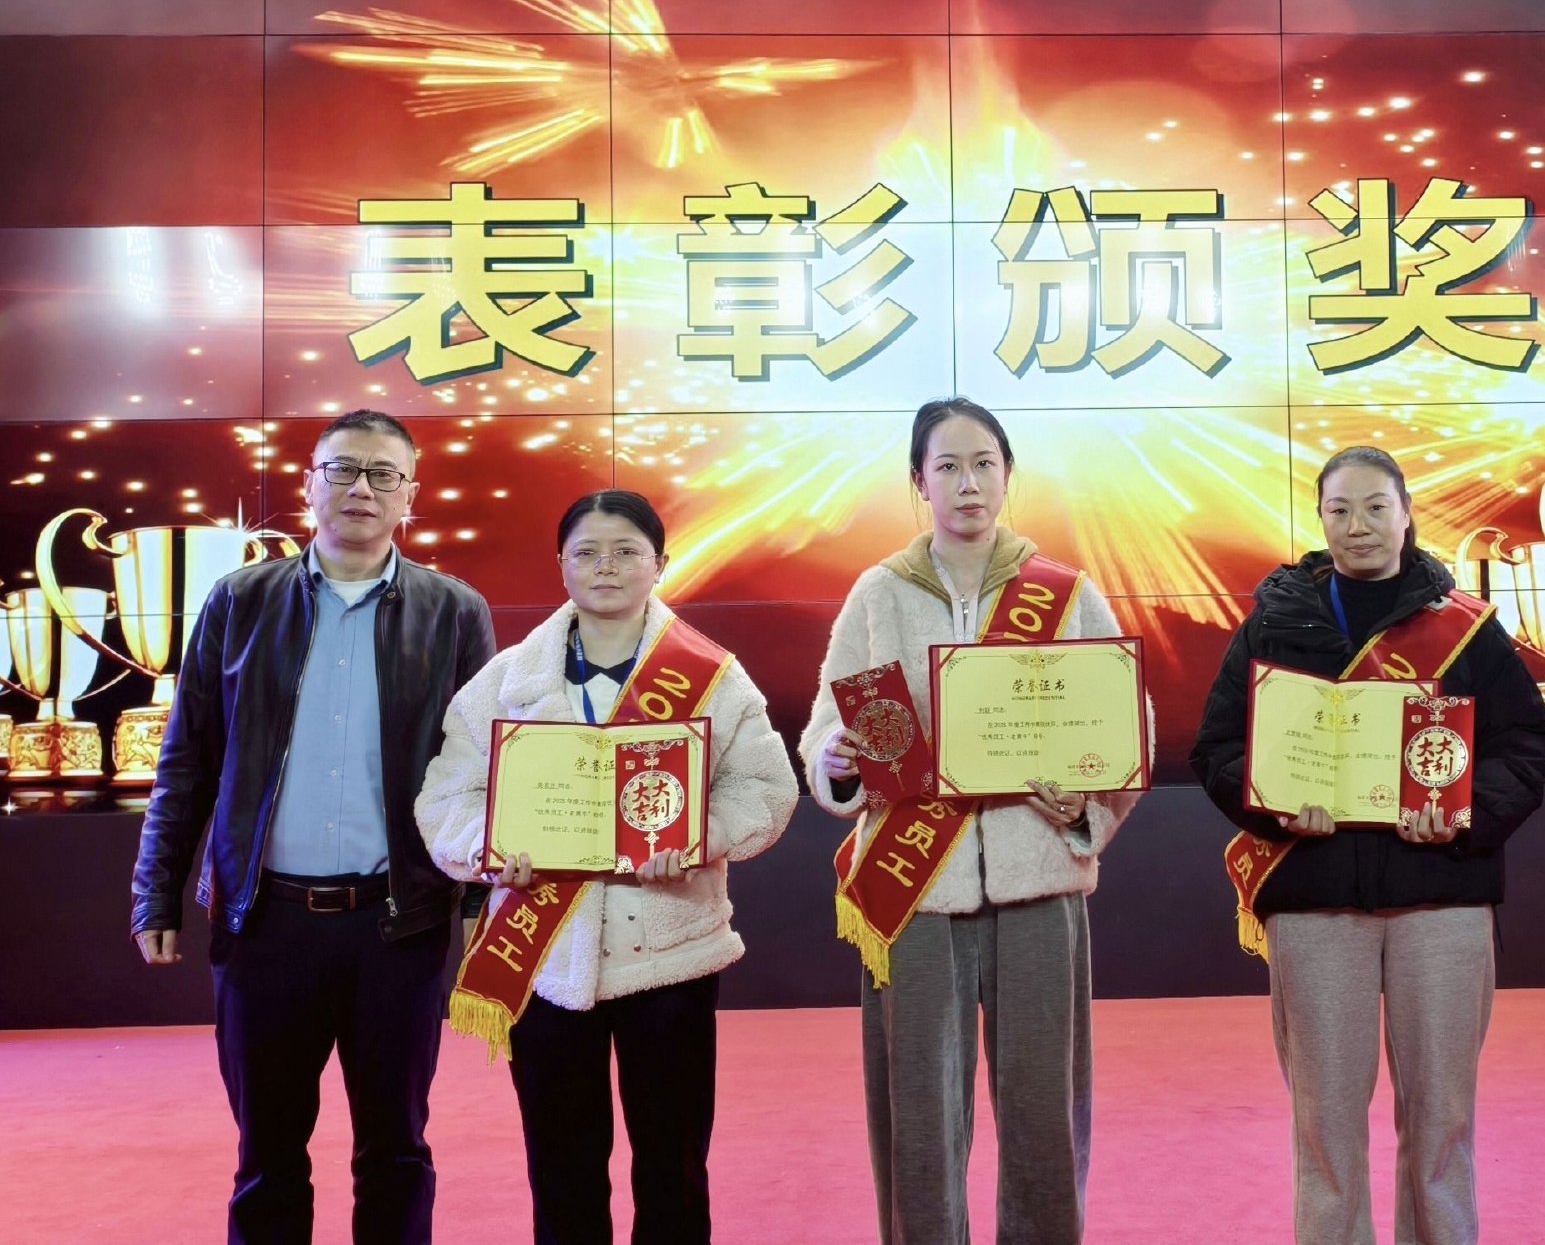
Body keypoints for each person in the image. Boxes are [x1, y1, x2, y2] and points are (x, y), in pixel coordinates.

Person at [130, 408, 496, 1245]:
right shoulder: (239, 600)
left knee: (396, 1152)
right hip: (265, 925)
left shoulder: (454, 611)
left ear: (410, 496)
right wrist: (155, 891)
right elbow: (186, 758)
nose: (361, 488)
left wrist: (478, 905)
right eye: (342, 469)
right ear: (309, 484)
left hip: (397, 925)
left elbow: (483, 771)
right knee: (266, 1156)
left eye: (383, 474)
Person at [1190, 445, 1545, 1245]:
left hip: (1443, 895)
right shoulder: (1273, 624)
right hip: (1316, 902)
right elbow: (1216, 748)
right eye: (1340, 509)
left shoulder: (1467, 629)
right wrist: (1274, 809)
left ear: (1407, 513)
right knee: (1325, 1123)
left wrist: (1465, 815)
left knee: (1442, 1119)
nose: (1358, 525)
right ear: (1320, 519)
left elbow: (1527, 743)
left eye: (1375, 507)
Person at [802, 397, 1142, 1245]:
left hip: (1038, 878)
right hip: (914, 887)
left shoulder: (1064, 592)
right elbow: (827, 722)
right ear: (918, 482)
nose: (967, 483)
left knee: (1045, 1106)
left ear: (1008, 474)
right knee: (917, 1109)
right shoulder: (878, 593)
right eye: (947, 466)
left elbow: (1125, 722)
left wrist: (1087, 807)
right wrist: (835, 759)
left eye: (984, 463)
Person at [416, 489, 796, 1245]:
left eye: (627, 551)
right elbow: (447, 797)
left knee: (673, 1167)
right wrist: (488, 848)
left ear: (660, 563)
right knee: (562, 1171)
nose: (606, 567)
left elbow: (764, 789)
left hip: (672, 956)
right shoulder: (504, 681)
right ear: (561, 565)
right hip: (547, 960)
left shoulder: (713, 677)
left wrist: (699, 838)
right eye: (586, 552)